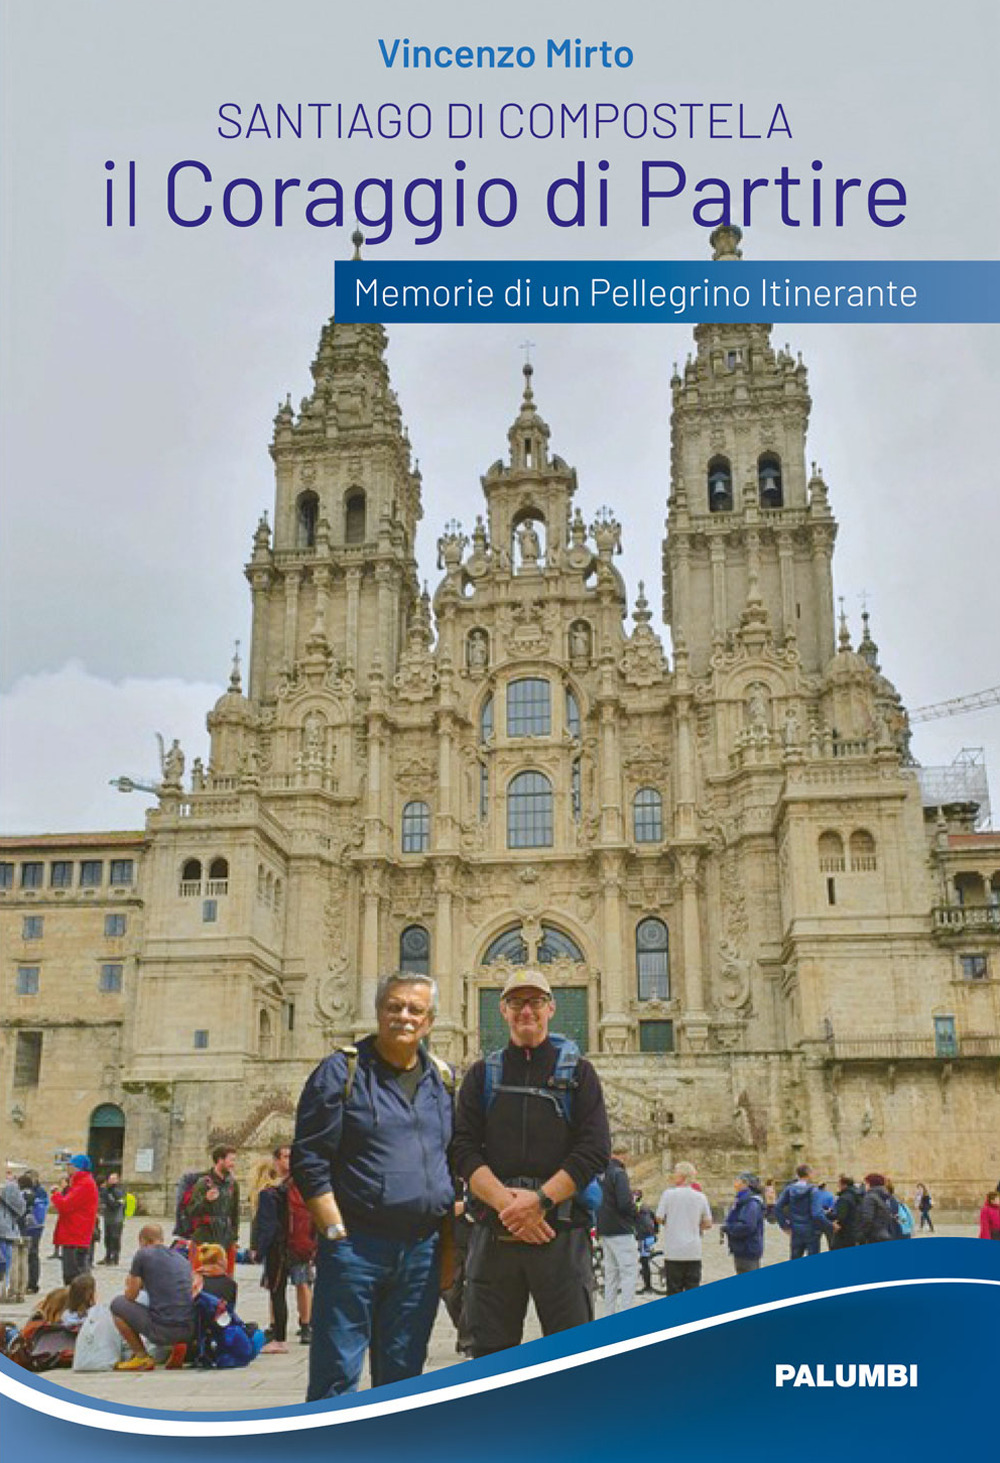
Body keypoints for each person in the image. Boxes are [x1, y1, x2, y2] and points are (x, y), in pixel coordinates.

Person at [292, 972, 456, 1400]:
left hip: (420, 1252)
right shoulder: (341, 1071)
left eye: (415, 1009)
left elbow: (450, 1160)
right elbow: (309, 1158)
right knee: (336, 1376)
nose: (404, 1016)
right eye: (394, 1006)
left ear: (430, 1020)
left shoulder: (442, 1080)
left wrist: (450, 1245)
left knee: (404, 1377)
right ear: (379, 1012)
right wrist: (334, 1233)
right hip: (356, 1249)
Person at [452, 969, 611, 1357]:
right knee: (489, 1358)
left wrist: (539, 1202)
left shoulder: (580, 1074)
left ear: (551, 1008)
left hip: (559, 1229)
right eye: (517, 1002)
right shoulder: (480, 1076)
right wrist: (511, 1207)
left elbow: (594, 1149)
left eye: (536, 1002)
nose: (527, 1010)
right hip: (496, 1230)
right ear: (503, 1010)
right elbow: (461, 1148)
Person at [255, 1142, 315, 1353]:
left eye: (290, 1156)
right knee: (278, 1288)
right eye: (285, 1157)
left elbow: (267, 1224)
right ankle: (277, 1327)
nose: (287, 1161)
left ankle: (301, 1326)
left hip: (289, 1245)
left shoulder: (283, 1187)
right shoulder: (299, 1183)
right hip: (297, 1243)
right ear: (276, 1160)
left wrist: (258, 1249)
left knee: (292, 1286)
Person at [110, 1223, 194, 1372]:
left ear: (143, 1241)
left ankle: (141, 1356)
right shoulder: (181, 1259)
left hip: (162, 1329)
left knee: (118, 1304)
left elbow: (131, 1295)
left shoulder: (143, 1254)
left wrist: (132, 1281)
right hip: (188, 1327)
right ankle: (177, 1346)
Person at [655, 1162, 713, 1293]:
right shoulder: (700, 1197)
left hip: (674, 1250)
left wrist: (670, 1223)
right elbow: (708, 1223)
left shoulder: (668, 1195)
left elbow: (659, 1217)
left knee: (674, 1289)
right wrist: (695, 1224)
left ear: (681, 1176)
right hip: (693, 1250)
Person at [597, 1147, 640, 1314]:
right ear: (623, 1155)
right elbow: (624, 1203)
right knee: (629, 1272)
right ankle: (626, 1312)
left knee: (611, 1275)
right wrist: (635, 1210)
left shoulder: (601, 1173)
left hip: (605, 1227)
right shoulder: (619, 1173)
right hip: (621, 1229)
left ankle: (609, 1312)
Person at [184, 1146, 240, 1272]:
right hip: (205, 1237)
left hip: (226, 1238)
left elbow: (235, 1214)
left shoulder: (233, 1184)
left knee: (225, 1278)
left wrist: (234, 1238)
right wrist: (206, 1200)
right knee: (200, 1276)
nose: (233, 1164)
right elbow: (190, 1211)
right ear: (220, 1160)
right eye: (231, 1160)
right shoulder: (203, 1183)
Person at [50, 1155, 99, 1284]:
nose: (67, 1168)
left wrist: (56, 1193)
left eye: (70, 1165)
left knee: (74, 1274)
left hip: (75, 1234)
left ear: (78, 1168)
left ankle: (78, 1300)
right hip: (73, 1233)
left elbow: (65, 1205)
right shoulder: (79, 1182)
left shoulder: (84, 1183)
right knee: (75, 1272)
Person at [774, 1164, 832, 1259]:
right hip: (812, 1230)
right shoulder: (814, 1190)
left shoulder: (790, 1189)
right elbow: (817, 1214)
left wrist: (784, 1225)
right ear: (809, 1174)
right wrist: (830, 1225)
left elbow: (777, 1207)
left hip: (796, 1229)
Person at [720, 1172, 766, 1274]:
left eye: (737, 1180)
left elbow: (747, 1226)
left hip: (748, 1248)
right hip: (741, 1247)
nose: (735, 1183)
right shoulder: (742, 1200)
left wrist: (729, 1228)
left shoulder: (751, 1203)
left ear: (745, 1183)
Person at [18, 1171, 47, 1293]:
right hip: (33, 1226)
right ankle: (26, 1281)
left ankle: (32, 1283)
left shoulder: (39, 1192)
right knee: (28, 1254)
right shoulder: (36, 1192)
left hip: (32, 1227)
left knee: (32, 1254)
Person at [0, 1165, 26, 1290]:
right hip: (5, 1231)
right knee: (7, 1263)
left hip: (5, 1230)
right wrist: (12, 1185)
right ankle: (7, 1288)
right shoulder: (9, 1188)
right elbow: (20, 1208)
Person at [857, 1172, 899, 1244]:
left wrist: (861, 1236)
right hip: (884, 1234)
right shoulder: (883, 1196)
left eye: (866, 1183)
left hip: (873, 1237)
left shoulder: (870, 1197)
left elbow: (867, 1219)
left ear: (870, 1184)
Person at [830, 1174, 866, 1249]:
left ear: (844, 1185)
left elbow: (841, 1216)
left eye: (839, 1184)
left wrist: (830, 1216)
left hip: (844, 1233)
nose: (838, 1186)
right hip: (855, 1230)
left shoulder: (844, 1198)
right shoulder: (858, 1195)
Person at [99, 1172, 126, 1266]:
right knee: (107, 1238)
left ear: (118, 1180)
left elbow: (117, 1204)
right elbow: (105, 1201)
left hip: (117, 1219)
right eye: (110, 1178)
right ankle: (107, 1256)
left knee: (115, 1238)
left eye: (114, 1178)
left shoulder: (119, 1190)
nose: (112, 1180)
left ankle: (115, 1257)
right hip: (108, 1218)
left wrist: (113, 1202)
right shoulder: (106, 1190)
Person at [635, 1192, 658, 1294]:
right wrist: (656, 1231)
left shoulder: (637, 1208)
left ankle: (648, 1286)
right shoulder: (646, 1206)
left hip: (644, 1237)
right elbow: (655, 1219)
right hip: (650, 1236)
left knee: (644, 1262)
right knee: (643, 1259)